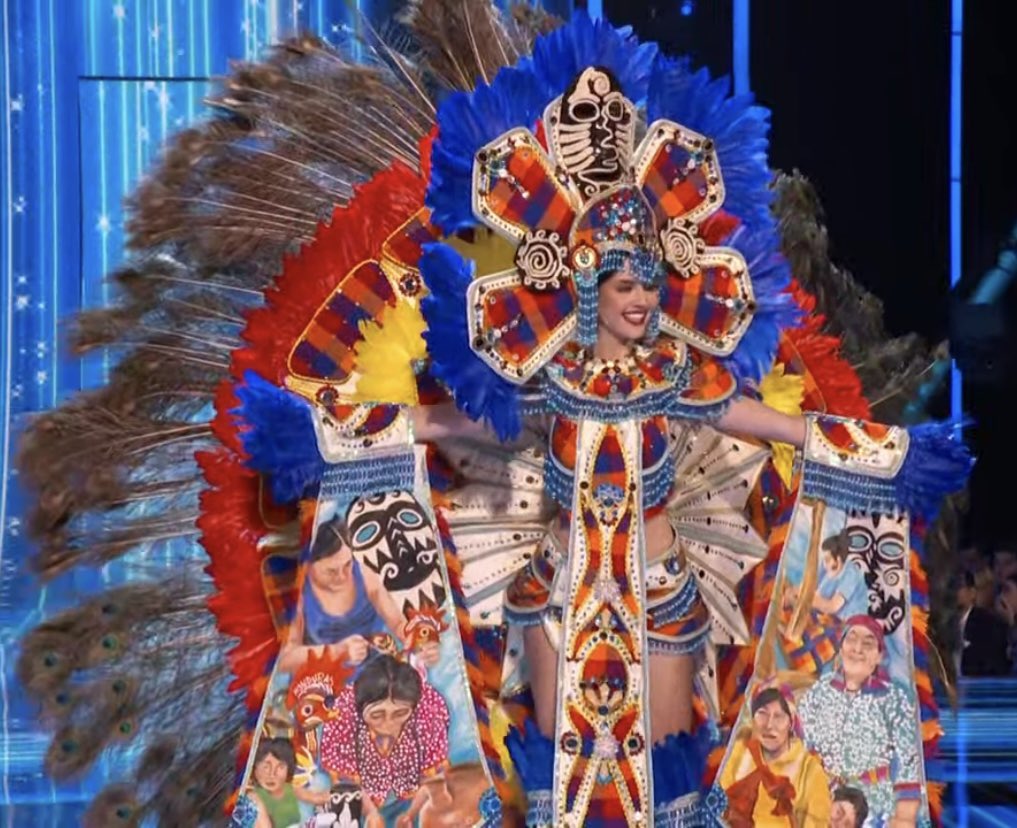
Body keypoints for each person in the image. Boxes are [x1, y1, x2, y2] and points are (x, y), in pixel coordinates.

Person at [798, 616, 922, 826]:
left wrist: (904, 817)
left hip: (874, 807)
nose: (857, 648)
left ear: (879, 656)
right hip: (823, 803)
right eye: (851, 639)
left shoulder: (893, 699)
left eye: (868, 643)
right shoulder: (818, 692)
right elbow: (798, 751)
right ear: (841, 647)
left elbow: (909, 762)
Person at [277, 517, 438, 674]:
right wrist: (336, 652)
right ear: (308, 565)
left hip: (377, 677)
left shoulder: (364, 575)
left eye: (348, 564)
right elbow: (285, 660)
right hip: (326, 684)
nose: (342, 576)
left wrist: (419, 642)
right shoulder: (299, 592)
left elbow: (397, 623)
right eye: (331, 571)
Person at [319, 654, 451, 827]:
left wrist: (410, 815)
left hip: (411, 798)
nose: (388, 725)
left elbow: (434, 780)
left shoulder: (428, 711)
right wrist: (372, 813)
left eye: (400, 714)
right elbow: (346, 783)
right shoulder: (343, 716)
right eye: (377, 715)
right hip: (360, 798)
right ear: (360, 710)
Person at [719, 685, 831, 827]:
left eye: (778, 716)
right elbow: (715, 802)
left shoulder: (809, 771)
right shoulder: (738, 752)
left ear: (791, 723)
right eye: (762, 713)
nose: (769, 725)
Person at [249, 738, 330, 828]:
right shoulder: (253, 799)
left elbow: (317, 798)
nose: (272, 774)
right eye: (266, 767)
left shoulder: (290, 789)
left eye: (280, 767)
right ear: (255, 768)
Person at [957, 570, 1011, 676]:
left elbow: (994, 668)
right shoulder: (938, 626)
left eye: (957, 586)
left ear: (972, 593)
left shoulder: (989, 625)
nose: (950, 592)